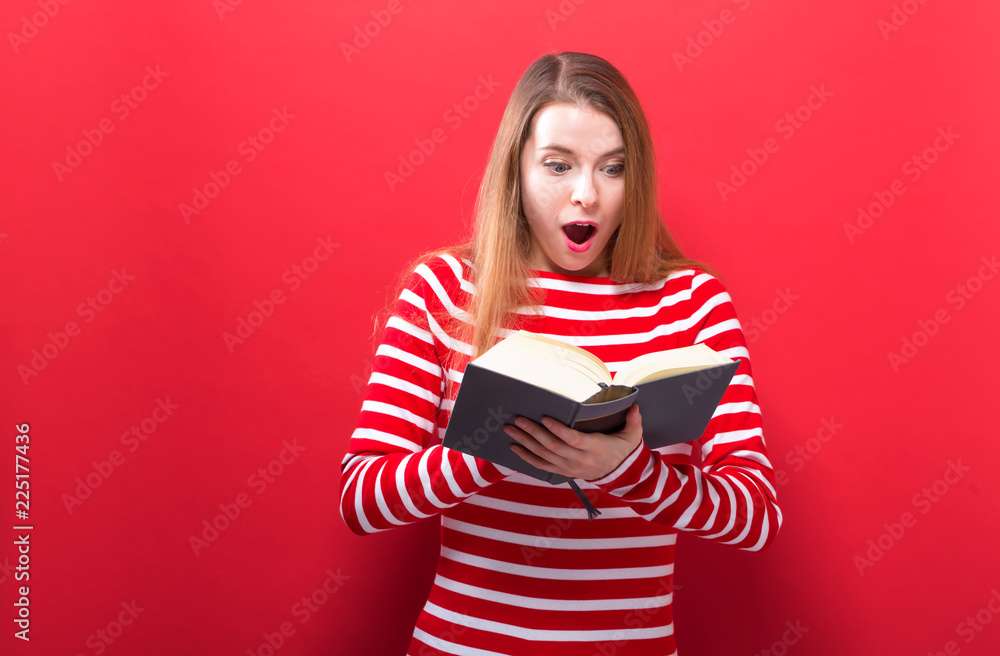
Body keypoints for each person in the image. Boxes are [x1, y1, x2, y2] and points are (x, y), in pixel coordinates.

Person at [341, 51, 782, 656]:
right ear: (515, 172)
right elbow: (363, 500)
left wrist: (629, 472)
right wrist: (496, 451)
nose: (586, 196)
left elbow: (755, 516)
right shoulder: (443, 291)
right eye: (557, 165)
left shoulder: (692, 303)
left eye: (613, 168)